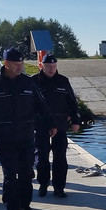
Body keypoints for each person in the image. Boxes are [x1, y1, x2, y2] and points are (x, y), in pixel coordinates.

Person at [0, 48, 56, 210]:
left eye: (21, 64)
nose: (20, 67)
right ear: (6, 63)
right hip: (4, 139)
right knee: (10, 175)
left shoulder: (28, 83)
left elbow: (42, 106)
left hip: (27, 136)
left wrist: (51, 124)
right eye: (16, 64)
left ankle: (25, 205)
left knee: (26, 174)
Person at [31, 54, 81, 197]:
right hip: (41, 125)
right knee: (41, 156)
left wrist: (76, 121)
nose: (52, 69)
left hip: (60, 125)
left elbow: (72, 102)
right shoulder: (34, 81)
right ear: (42, 65)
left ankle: (59, 187)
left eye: (54, 66)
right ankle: (43, 184)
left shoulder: (63, 81)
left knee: (60, 157)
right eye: (49, 66)